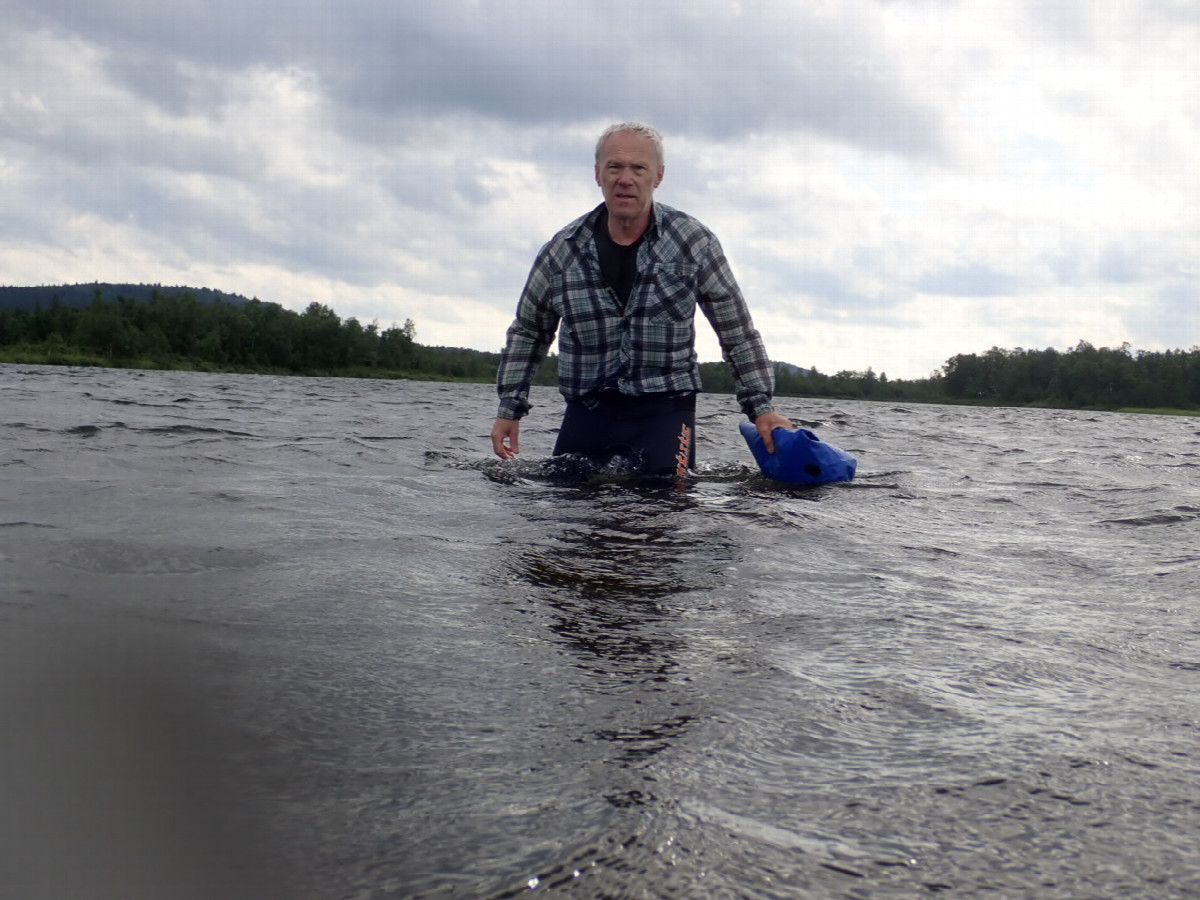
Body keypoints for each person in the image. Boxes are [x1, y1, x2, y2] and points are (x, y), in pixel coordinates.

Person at [490, 121, 792, 475]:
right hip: (588, 411)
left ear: (658, 176)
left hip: (666, 411)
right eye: (614, 167)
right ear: (597, 174)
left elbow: (736, 331)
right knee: (567, 522)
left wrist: (761, 408)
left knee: (664, 516)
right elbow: (529, 331)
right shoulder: (561, 252)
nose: (625, 178)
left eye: (638, 168)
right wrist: (509, 409)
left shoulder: (693, 243)